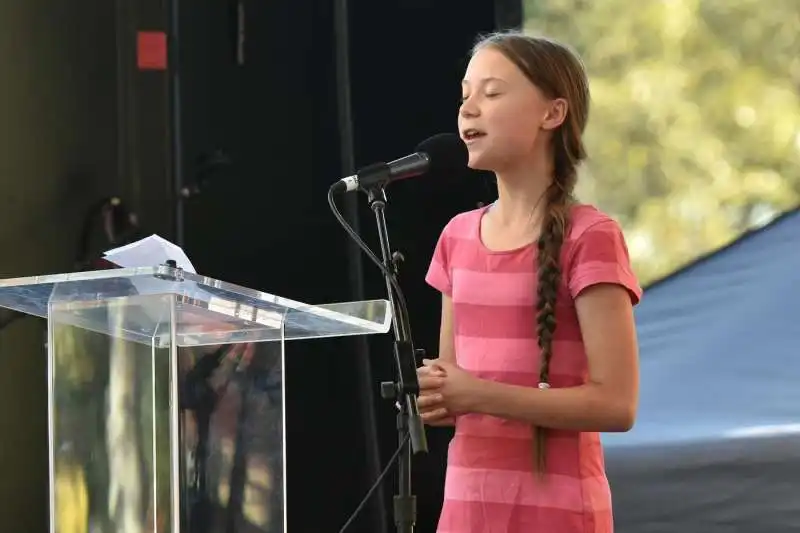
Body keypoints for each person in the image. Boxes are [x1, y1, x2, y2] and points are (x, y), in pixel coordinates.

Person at [417, 30, 643, 533]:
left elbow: (616, 404)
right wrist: (435, 394)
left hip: (559, 515)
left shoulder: (591, 236)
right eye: (464, 95)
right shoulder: (457, 237)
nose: (469, 109)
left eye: (492, 93)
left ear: (552, 113)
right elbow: (455, 393)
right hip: (468, 508)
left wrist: (475, 394)